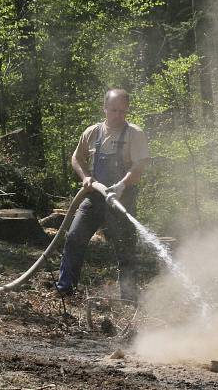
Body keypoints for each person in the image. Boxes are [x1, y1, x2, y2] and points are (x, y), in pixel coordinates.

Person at [56, 89, 150, 302]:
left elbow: (140, 165)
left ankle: (129, 297)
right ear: (105, 108)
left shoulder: (135, 134)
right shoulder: (92, 132)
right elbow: (76, 158)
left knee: (125, 248)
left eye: (123, 111)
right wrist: (86, 177)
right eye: (114, 110)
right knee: (74, 237)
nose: (118, 115)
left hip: (122, 199)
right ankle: (65, 289)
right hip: (94, 197)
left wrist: (122, 185)